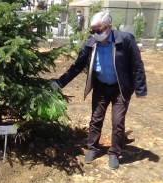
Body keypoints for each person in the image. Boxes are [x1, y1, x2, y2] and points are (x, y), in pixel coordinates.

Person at [50, 11, 147, 170]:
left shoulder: (126, 40)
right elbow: (77, 67)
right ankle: (92, 148)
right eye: (93, 31)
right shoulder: (90, 44)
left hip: (120, 88)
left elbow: (137, 65)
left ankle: (114, 152)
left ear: (110, 27)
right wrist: (60, 82)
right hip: (101, 86)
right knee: (96, 118)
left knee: (117, 122)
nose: (96, 34)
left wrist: (140, 89)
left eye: (99, 31)